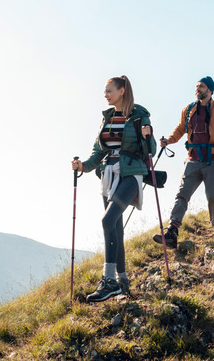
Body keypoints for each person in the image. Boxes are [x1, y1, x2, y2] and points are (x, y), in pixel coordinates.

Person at [72, 75, 156, 302]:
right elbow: (98, 152)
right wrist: (83, 166)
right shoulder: (107, 118)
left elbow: (151, 149)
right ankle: (123, 281)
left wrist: (148, 137)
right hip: (108, 174)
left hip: (131, 174)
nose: (105, 95)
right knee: (116, 229)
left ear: (122, 91)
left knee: (107, 221)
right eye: (105, 92)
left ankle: (108, 282)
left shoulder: (140, 115)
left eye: (109, 91)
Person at [153, 76, 214, 248]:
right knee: (182, 195)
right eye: (197, 86)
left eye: (202, 87)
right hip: (193, 159)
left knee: (213, 197)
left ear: (210, 90)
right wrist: (169, 140)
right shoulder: (189, 109)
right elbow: (181, 128)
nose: (198, 89)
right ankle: (172, 232)